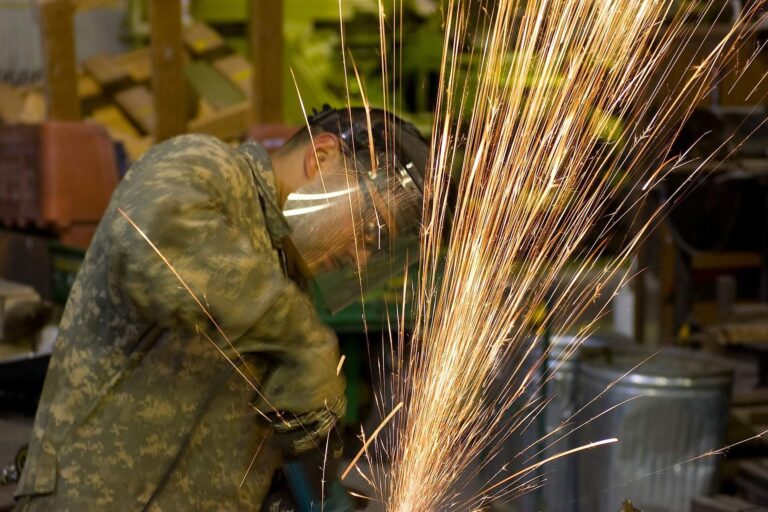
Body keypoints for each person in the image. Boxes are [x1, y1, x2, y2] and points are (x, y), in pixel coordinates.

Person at [13, 105, 427, 511]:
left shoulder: (285, 279)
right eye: (370, 231)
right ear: (320, 156)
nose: (361, 260)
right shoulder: (205, 167)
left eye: (377, 250)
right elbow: (155, 249)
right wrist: (303, 340)